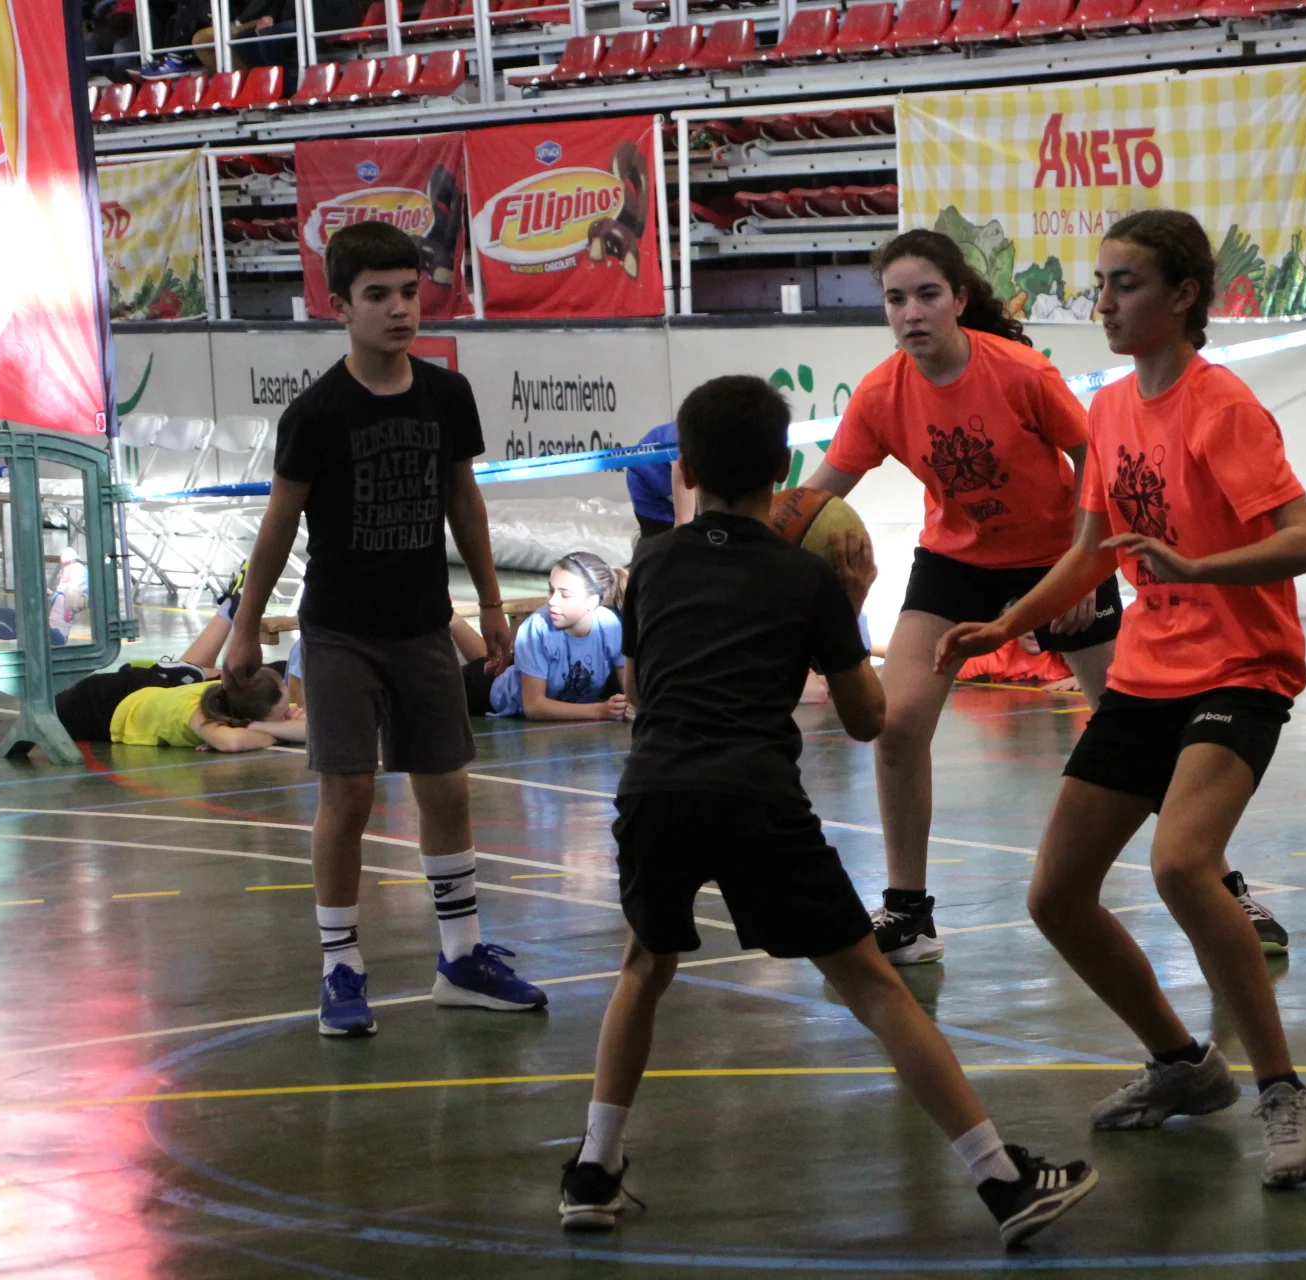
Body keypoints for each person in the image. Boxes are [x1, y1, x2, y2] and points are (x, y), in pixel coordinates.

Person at [558, 376, 1097, 1248]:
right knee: (875, 989)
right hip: (755, 798)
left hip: (654, 791)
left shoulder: (650, 565)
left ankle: (593, 1170)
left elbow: (643, 691)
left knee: (642, 968)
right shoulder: (805, 579)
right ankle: (1002, 1180)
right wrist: (844, 610)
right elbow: (868, 721)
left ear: (685, 469)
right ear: (783, 469)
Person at [936, 210, 1306, 1187]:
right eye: (1102, 284)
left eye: (1126, 284)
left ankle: (1287, 1095)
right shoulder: (1110, 407)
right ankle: (1182, 1063)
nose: (1104, 303)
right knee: (1054, 894)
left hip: (1241, 669)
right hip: (1147, 674)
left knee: (1183, 863)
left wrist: (1199, 567)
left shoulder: (1222, 407)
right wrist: (1005, 622)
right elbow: (1089, 552)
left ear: (1184, 295)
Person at [803, 229, 1289, 965]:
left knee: (1139, 729)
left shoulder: (1020, 373)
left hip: (1058, 556)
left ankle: (1224, 885)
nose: (911, 313)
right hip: (955, 565)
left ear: (959, 299)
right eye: (895, 299)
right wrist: (740, 534)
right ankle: (907, 912)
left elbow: (1094, 455)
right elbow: (817, 498)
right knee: (896, 726)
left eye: (927, 294)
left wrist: (1081, 565)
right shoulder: (880, 394)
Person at [222, 220, 546, 1039]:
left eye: (409, 292)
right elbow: (278, 525)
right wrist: (245, 628)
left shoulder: (447, 396)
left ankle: (461, 958)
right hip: (340, 634)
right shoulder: (316, 413)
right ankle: (340, 966)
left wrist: (492, 604)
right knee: (349, 793)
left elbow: (464, 501)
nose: (399, 309)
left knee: (447, 785)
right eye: (378, 296)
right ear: (339, 306)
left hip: (423, 627)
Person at [55, 604, 301, 751]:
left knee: (187, 676)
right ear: (249, 717)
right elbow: (231, 743)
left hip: (152, 687)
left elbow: (310, 730)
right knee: (49, 718)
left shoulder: (244, 696)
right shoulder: (200, 713)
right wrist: (272, 730)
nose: (290, 713)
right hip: (101, 705)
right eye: (283, 714)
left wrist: (264, 727)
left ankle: (189, 667)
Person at [451, 552, 628, 721]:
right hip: (483, 692)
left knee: (495, 662)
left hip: (527, 673)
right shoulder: (537, 627)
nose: (552, 601)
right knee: (448, 684)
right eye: (551, 590)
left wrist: (632, 707)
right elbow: (534, 707)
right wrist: (601, 710)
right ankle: (448, 615)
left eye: (565, 595)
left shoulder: (611, 626)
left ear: (593, 601)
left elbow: (630, 692)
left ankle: (450, 618)